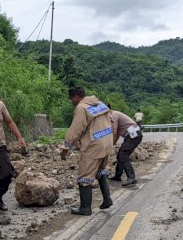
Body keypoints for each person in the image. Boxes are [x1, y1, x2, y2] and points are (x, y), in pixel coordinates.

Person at [60, 86, 115, 215]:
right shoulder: (100, 104)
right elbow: (111, 120)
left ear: (75, 97)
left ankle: (85, 208)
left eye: (71, 99)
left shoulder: (81, 107)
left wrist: (65, 147)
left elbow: (76, 129)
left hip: (93, 145)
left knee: (84, 176)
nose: (71, 102)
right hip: (106, 142)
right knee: (100, 171)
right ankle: (107, 199)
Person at [108, 105, 143, 187]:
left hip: (134, 136)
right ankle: (118, 176)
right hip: (131, 136)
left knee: (123, 155)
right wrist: (112, 143)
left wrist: (111, 144)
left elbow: (114, 131)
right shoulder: (113, 115)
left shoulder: (114, 115)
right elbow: (116, 134)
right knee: (120, 154)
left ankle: (131, 177)